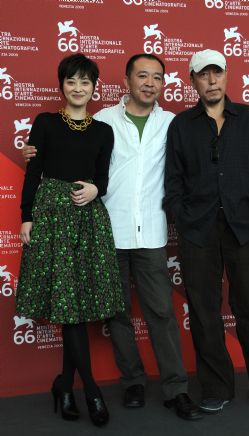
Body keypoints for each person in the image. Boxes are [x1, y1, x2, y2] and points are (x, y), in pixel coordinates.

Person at [22, 53, 203, 421]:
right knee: (115, 313)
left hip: (150, 230)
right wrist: (33, 154)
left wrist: (245, 123)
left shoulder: (173, 123)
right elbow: (66, 154)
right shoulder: (102, 120)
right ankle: (133, 382)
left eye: (157, 77)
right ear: (126, 81)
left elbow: (206, 132)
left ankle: (176, 389)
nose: (149, 83)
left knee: (162, 313)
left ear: (164, 84)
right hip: (106, 231)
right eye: (142, 76)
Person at [164, 49, 249, 414]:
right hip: (198, 232)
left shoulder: (248, 120)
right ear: (192, 81)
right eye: (203, 75)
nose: (211, 81)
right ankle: (216, 387)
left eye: (217, 73)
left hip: (245, 228)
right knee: (205, 312)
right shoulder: (181, 126)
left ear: (226, 76)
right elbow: (172, 183)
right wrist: (185, 218)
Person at [16, 53, 124, 427]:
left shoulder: (103, 131)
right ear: (62, 85)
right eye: (71, 81)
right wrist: (26, 216)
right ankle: (91, 388)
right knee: (68, 304)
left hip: (89, 219)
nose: (78, 88)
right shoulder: (44, 123)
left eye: (85, 82)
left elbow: (103, 178)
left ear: (95, 87)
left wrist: (95, 190)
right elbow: (33, 172)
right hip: (50, 218)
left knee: (74, 305)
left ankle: (64, 385)